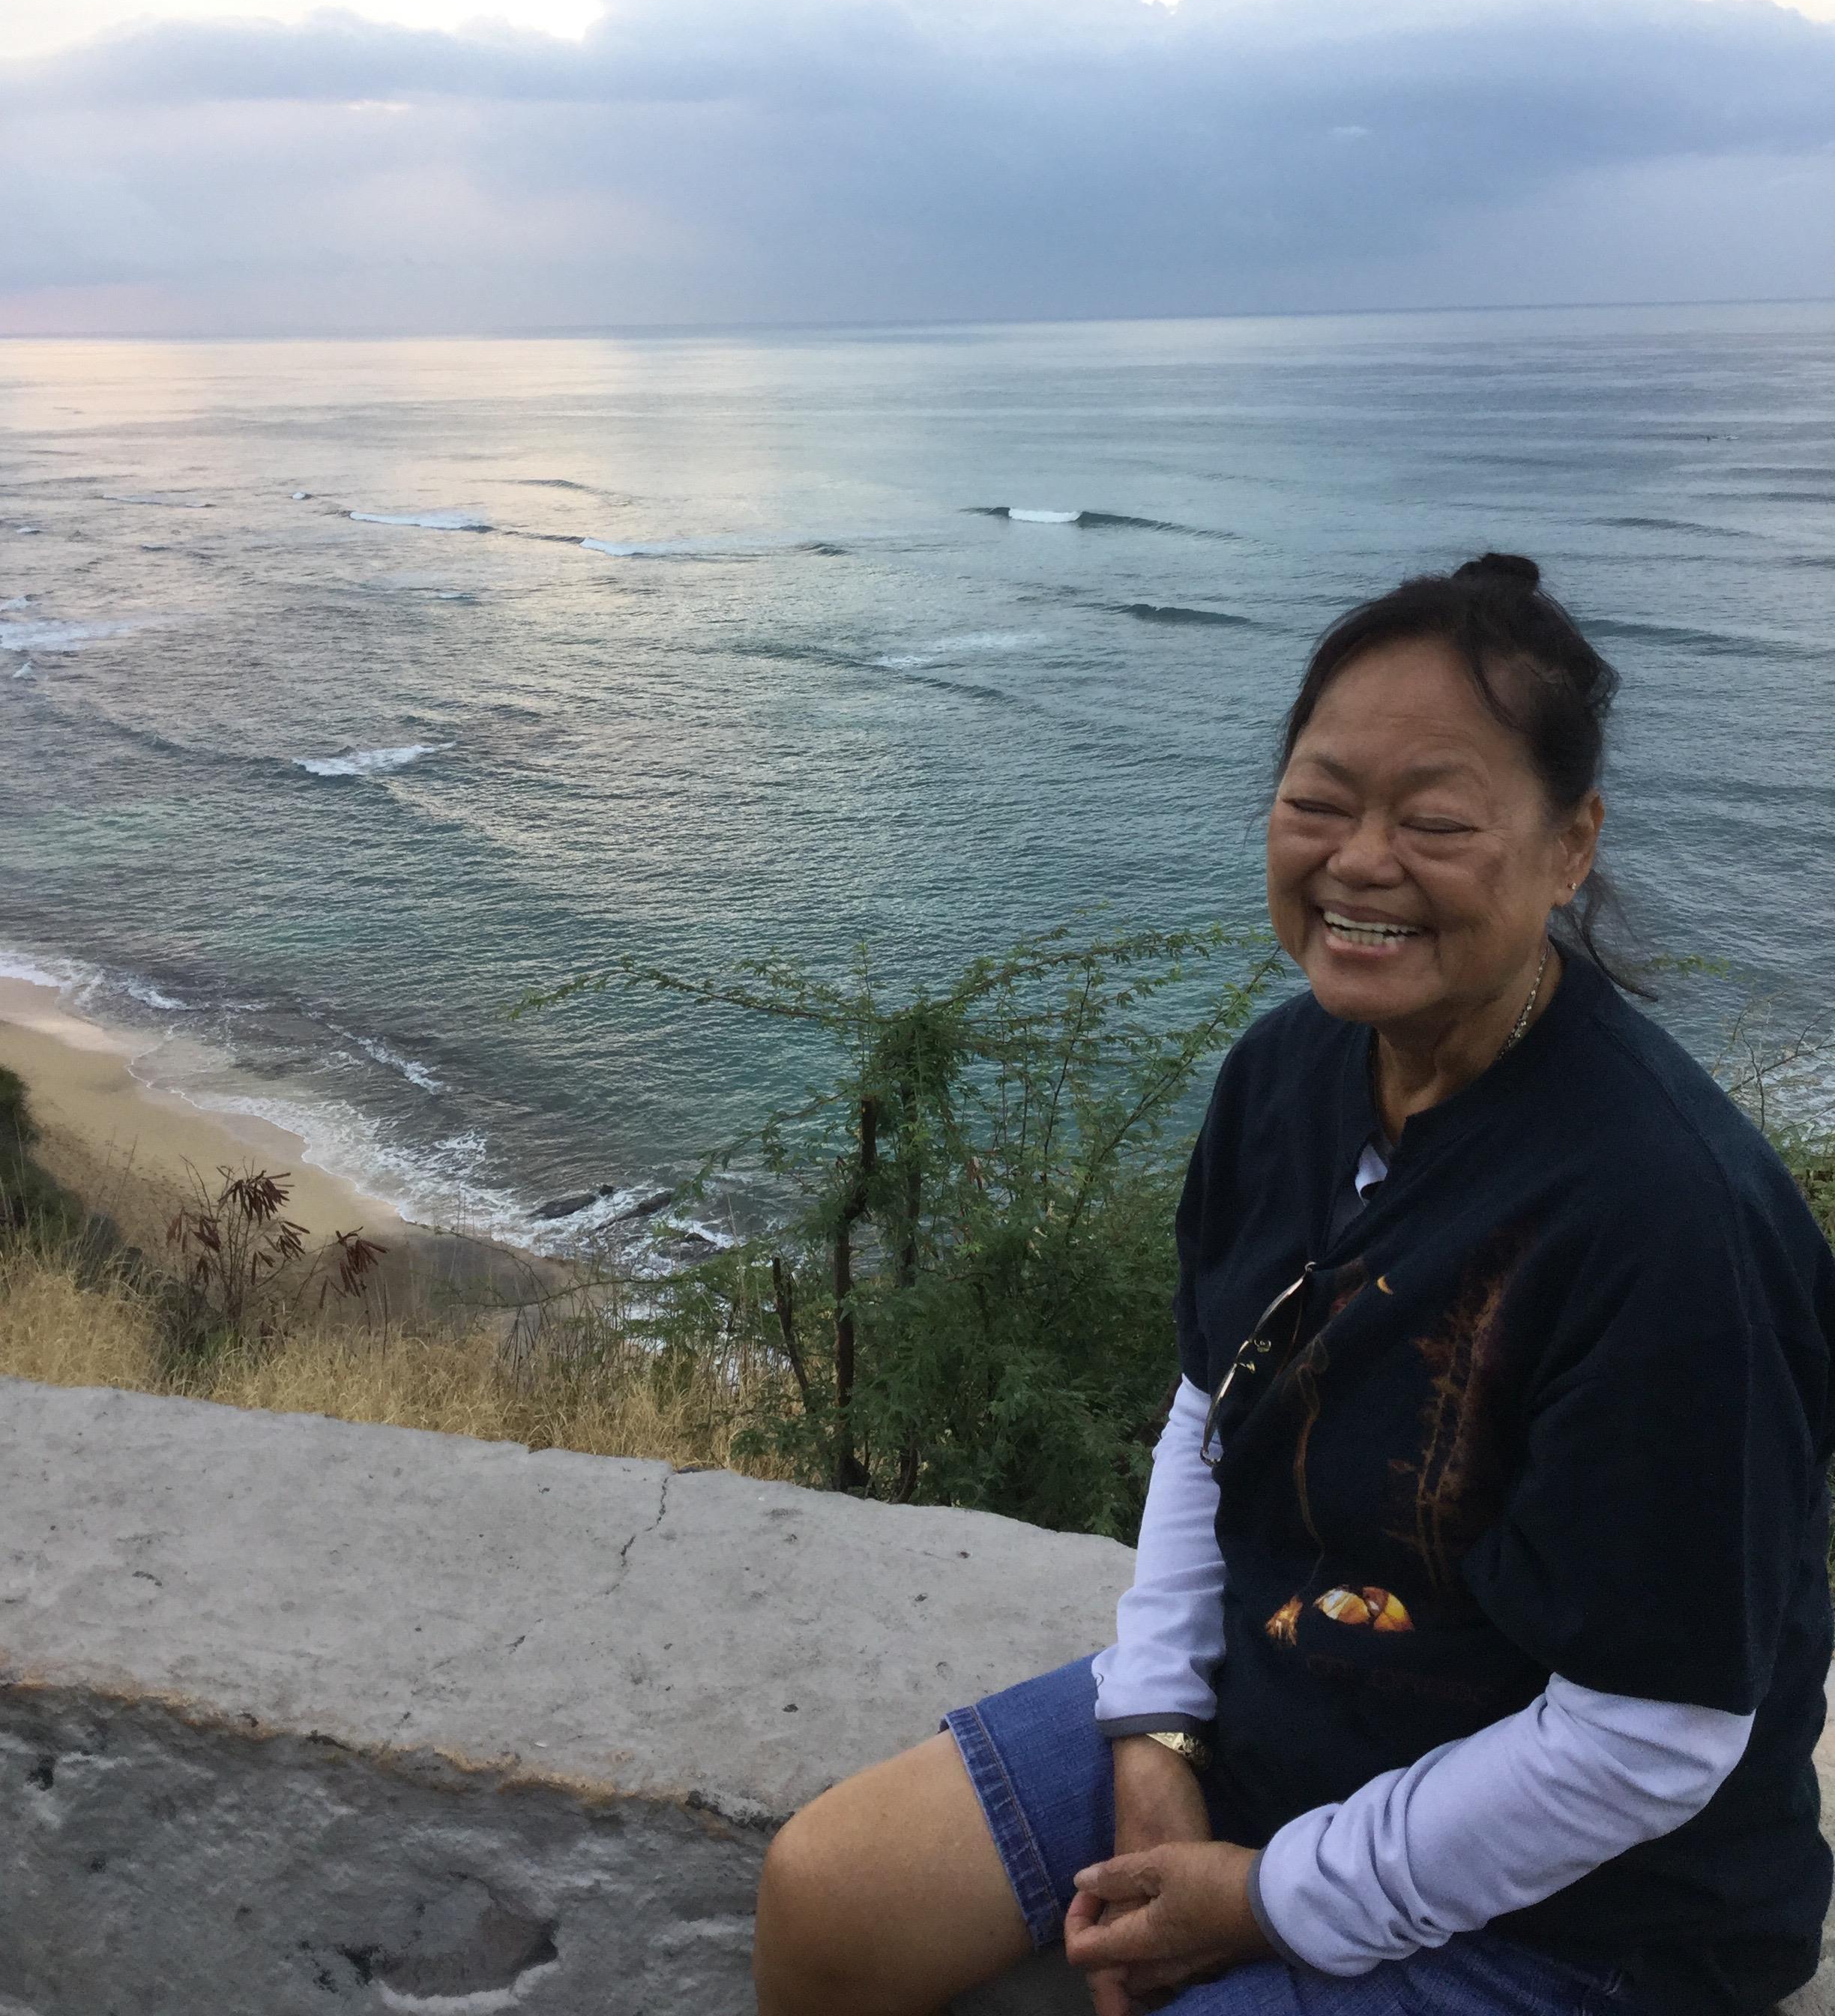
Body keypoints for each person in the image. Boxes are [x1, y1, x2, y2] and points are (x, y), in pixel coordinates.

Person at [752, 553, 1835, 2016]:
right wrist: (1152, 1730)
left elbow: (1651, 1737)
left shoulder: (1667, 1221)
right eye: (1320, 803)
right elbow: (1217, 1407)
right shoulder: (1286, 1080)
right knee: (829, 1897)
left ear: (1572, 845)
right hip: (1283, 1711)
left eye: (1435, 820)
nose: (1360, 862)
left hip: (1598, 1911)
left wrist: (1273, 1895)